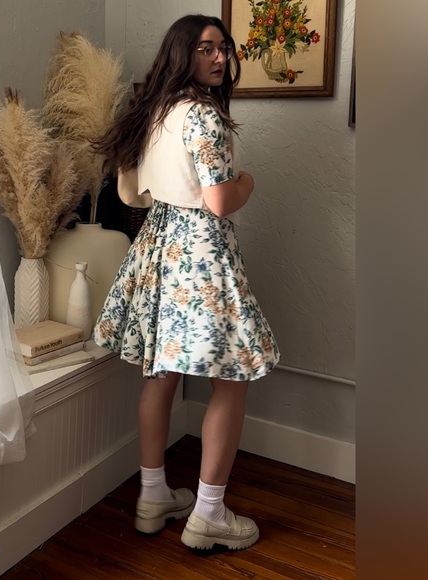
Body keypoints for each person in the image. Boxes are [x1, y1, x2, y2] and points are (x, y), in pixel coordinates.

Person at [92, 14, 280, 551]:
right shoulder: (202, 115)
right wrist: (247, 181)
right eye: (205, 49)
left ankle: (154, 495)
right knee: (232, 379)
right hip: (201, 253)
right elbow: (220, 201)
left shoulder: (152, 111)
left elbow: (131, 193)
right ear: (182, 53)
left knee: (162, 372)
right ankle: (208, 515)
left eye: (224, 48)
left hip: (159, 243)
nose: (219, 58)